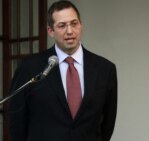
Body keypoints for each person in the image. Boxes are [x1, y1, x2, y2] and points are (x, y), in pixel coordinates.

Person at [7, 1, 117, 141]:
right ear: (50, 31)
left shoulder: (105, 69)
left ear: (81, 25)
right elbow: (17, 119)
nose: (70, 31)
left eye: (74, 23)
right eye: (62, 25)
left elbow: (107, 123)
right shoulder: (29, 67)